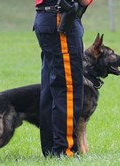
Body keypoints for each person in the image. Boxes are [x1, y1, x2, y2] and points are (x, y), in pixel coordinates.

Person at [33, 0, 93, 158]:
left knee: (51, 89)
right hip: (60, 19)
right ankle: (64, 151)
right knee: (68, 89)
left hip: (49, 17)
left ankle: (51, 150)